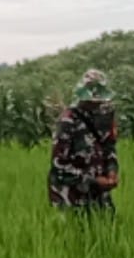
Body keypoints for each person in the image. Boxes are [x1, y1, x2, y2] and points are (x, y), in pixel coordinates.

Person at [48, 69, 119, 213]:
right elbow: (59, 165)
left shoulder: (103, 118)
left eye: (99, 101)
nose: (96, 104)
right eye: (92, 101)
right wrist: (93, 180)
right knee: (77, 233)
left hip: (98, 196)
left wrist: (112, 171)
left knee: (108, 231)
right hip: (71, 197)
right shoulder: (67, 121)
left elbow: (109, 148)